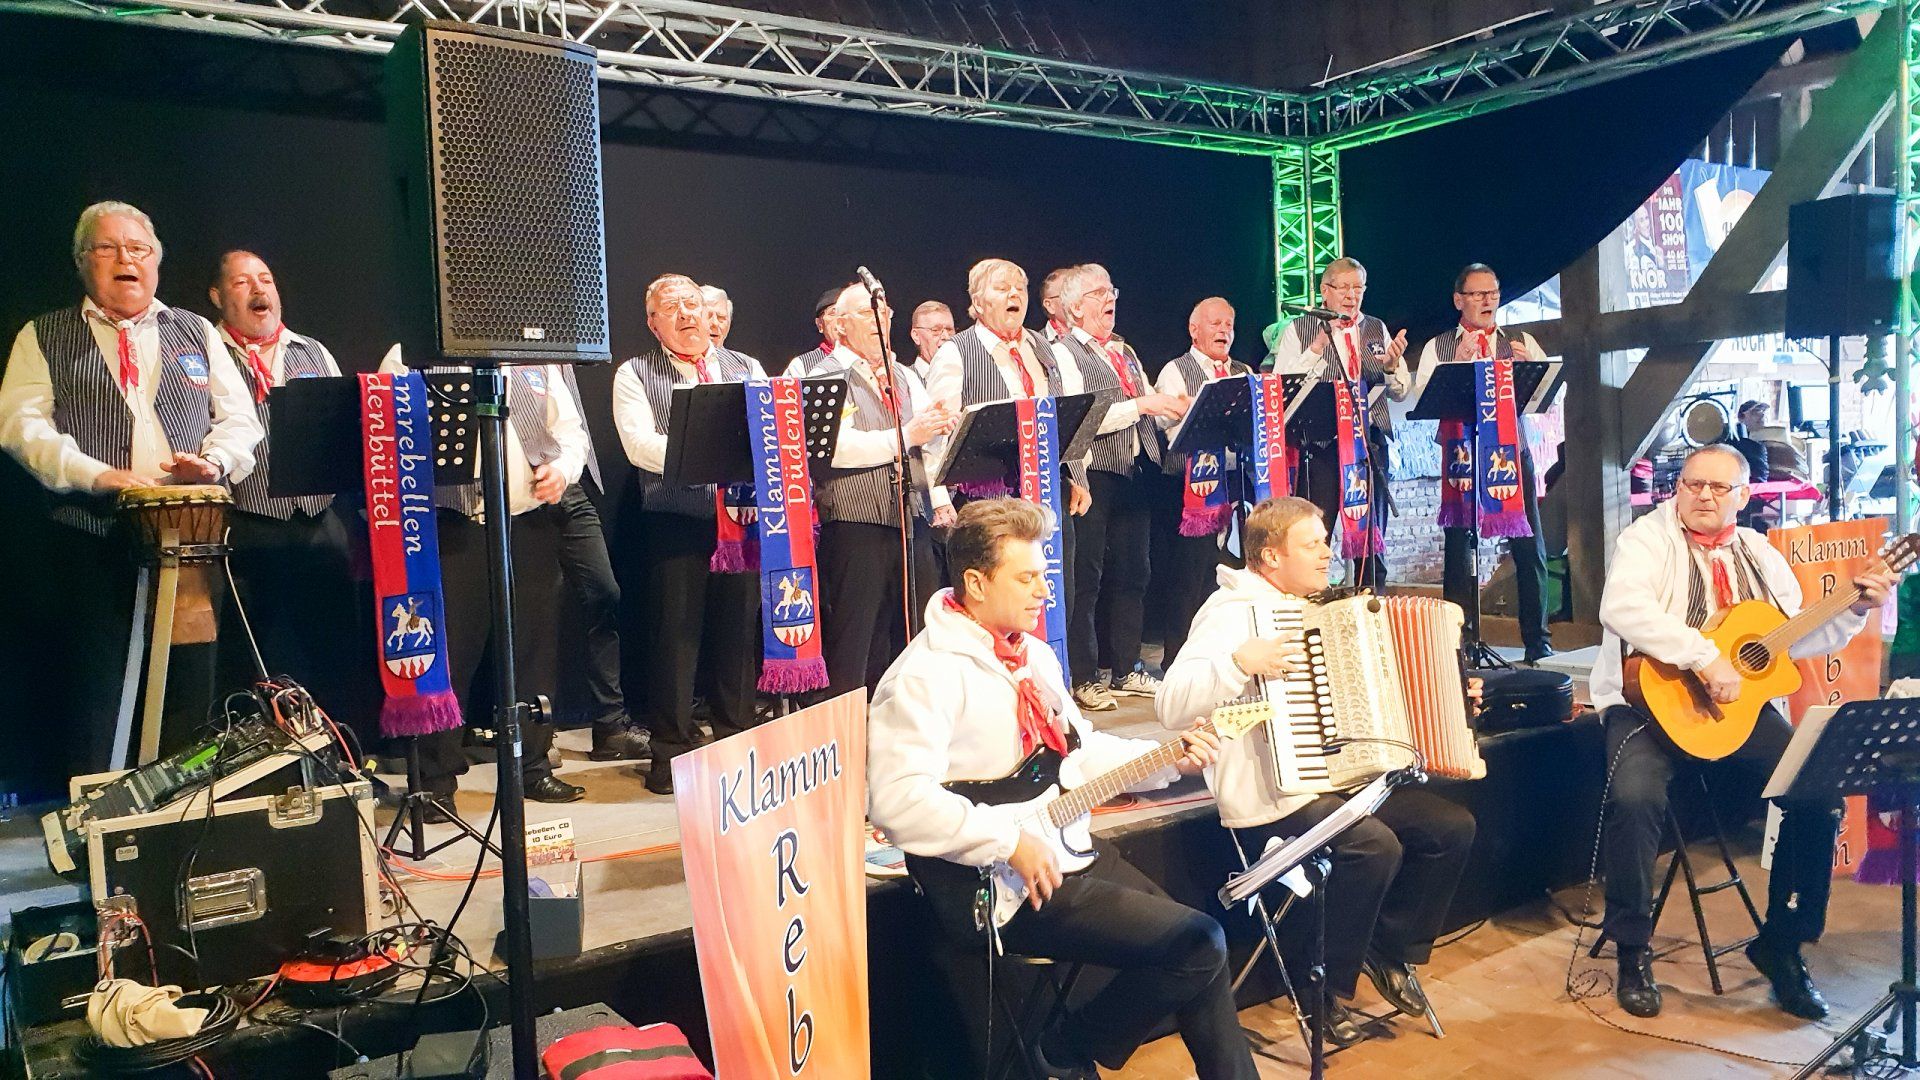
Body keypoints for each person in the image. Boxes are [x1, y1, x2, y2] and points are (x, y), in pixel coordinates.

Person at [868, 497, 1257, 1080]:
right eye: (1026, 578)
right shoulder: (923, 676)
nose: (1044, 591)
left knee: (1200, 946)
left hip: (1063, 850)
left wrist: (1169, 759)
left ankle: (1068, 1050)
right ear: (976, 582)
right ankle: (1063, 1050)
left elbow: (1076, 755)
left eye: (1043, 575)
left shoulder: (1035, 656)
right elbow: (898, 800)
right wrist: (1008, 843)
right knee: (1198, 943)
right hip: (993, 883)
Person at [1158, 495, 1477, 1047]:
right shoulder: (1232, 612)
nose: (1328, 553)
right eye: (1312, 544)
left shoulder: (1326, 611)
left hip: (1340, 783)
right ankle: (1319, 991)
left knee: (1450, 828)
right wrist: (1238, 663)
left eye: (1325, 542)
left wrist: (1451, 694)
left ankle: (1388, 946)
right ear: (1271, 556)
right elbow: (1170, 704)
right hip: (1271, 797)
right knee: (1372, 847)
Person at [1592, 444, 1895, 1021]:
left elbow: (1789, 639)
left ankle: (1783, 942)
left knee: (1816, 790)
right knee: (1633, 798)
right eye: (1692, 484)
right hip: (1649, 704)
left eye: (1718, 487)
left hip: (1739, 712)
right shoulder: (1646, 540)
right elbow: (1622, 608)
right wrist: (1704, 657)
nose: (1703, 496)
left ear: (1745, 496)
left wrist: (1854, 610)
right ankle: (1632, 950)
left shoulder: (1759, 553)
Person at [0, 202, 262, 775]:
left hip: (190, 542)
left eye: (138, 248)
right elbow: (20, 426)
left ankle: (183, 807)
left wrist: (213, 463)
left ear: (156, 263)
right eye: (107, 247)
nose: (125, 258)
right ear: (82, 262)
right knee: (101, 689)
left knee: (189, 686)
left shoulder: (194, 330)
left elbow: (241, 420)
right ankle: (100, 813)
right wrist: (96, 474)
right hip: (92, 537)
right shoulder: (44, 334)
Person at [378, 345, 590, 807]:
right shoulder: (410, 354)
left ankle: (532, 767)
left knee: (534, 653)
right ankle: (434, 783)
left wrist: (561, 470)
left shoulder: (532, 356)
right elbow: (389, 436)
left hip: (527, 523)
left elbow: (571, 433)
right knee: (450, 653)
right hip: (453, 524)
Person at [611, 274, 770, 795]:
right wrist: (705, 455)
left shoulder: (746, 367)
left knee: (737, 639)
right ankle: (670, 755)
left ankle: (737, 749)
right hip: (676, 520)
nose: (686, 314)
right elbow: (638, 444)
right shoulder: (635, 372)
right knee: (675, 640)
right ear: (653, 323)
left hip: (741, 522)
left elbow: (770, 431)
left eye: (693, 304)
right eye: (671, 307)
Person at [206, 250, 366, 730]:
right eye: (242, 282)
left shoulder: (311, 351)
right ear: (217, 296)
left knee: (334, 650)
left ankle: (339, 754)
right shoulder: (207, 351)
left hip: (318, 523)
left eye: (266, 279)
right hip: (247, 526)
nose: (259, 289)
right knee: (255, 659)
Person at [1050, 264, 1189, 711]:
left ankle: (1126, 668)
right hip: (1092, 474)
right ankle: (1084, 675)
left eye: (1111, 289)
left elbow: (1148, 404)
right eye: (1098, 292)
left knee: (1134, 573)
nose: (1110, 298)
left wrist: (1177, 407)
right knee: (1087, 577)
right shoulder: (1065, 353)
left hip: (1135, 470)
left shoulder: (1124, 351)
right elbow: (1081, 419)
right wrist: (1142, 405)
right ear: (1075, 307)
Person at [811, 282, 954, 698]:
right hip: (856, 520)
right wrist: (908, 434)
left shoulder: (904, 374)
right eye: (866, 312)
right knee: (855, 636)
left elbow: (927, 442)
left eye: (884, 312)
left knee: (916, 628)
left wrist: (939, 492)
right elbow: (836, 449)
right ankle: (846, 724)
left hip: (911, 517)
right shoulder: (823, 375)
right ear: (840, 325)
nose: (879, 319)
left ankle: (907, 715)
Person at [1411, 262, 1553, 663]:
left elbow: (1546, 397)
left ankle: (1538, 641)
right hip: (1462, 455)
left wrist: (1527, 371)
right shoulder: (1439, 346)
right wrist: (1455, 364)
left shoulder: (1520, 340)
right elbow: (1423, 400)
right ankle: (1461, 641)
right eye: (1478, 294)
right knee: (1459, 547)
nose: (1488, 301)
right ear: (1459, 300)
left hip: (1510, 453)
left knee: (1529, 545)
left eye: (1493, 293)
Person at [1271, 257, 1409, 590]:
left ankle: (1371, 606)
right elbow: (1281, 387)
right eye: (1344, 287)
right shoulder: (1299, 329)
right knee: (1313, 534)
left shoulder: (1375, 327)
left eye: (1358, 288)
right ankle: (1309, 605)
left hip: (1368, 445)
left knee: (1370, 541)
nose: (1351, 295)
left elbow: (1401, 391)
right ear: (1325, 290)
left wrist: (1391, 368)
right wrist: (1317, 347)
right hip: (1322, 447)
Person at [1153, 297, 1249, 670]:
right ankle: (1178, 661)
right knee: (1190, 577)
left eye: (1229, 324)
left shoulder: (1243, 371)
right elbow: (1167, 426)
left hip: (1237, 483)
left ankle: (1224, 657)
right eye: (1215, 324)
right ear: (1194, 330)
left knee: (1231, 572)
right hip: (1192, 488)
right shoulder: (1176, 370)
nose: (1224, 330)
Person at [786, 287, 845, 376]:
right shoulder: (802, 365)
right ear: (820, 324)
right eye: (833, 313)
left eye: (845, 313)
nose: (841, 320)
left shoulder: (867, 358)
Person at [907, 300, 954, 382]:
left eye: (949, 330)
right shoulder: (904, 380)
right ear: (916, 336)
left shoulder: (965, 376)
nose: (946, 337)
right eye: (936, 330)